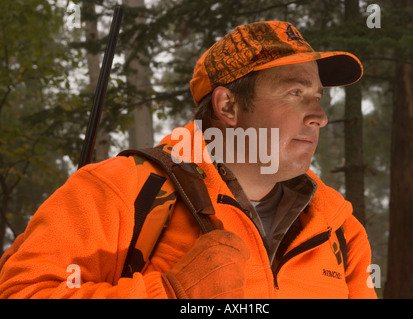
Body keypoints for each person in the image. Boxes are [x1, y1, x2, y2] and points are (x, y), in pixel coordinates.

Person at [0, 21, 376, 299]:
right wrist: (171, 293)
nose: (319, 116)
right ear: (228, 105)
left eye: (318, 96)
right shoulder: (121, 191)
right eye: (295, 92)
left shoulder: (338, 228)